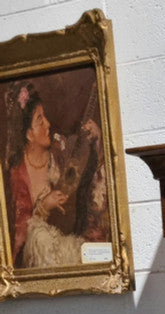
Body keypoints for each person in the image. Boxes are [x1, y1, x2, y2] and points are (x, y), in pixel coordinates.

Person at [7, 81, 105, 268]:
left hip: (73, 238)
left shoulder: (60, 148)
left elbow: (88, 170)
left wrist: (97, 140)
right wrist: (44, 207)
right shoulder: (18, 175)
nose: (48, 124)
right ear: (28, 134)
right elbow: (19, 237)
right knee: (41, 239)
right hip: (43, 256)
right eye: (40, 119)